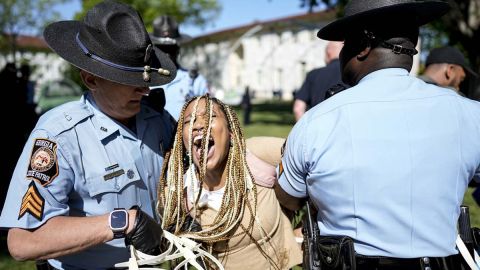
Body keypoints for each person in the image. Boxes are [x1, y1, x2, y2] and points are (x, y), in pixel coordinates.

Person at [274, 0, 480, 269]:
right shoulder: (471, 114)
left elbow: (288, 196)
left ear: (363, 46)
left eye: (346, 44)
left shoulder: (317, 121)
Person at [0, 1, 178, 269]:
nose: (144, 90)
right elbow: (23, 241)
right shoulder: (58, 136)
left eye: (145, 80)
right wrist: (121, 222)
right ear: (91, 80)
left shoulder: (158, 121)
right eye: (129, 81)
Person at [148, 95, 302, 269]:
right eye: (189, 121)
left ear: (230, 133)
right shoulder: (179, 195)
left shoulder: (255, 155)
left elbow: (317, 158)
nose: (198, 125)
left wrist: (307, 227)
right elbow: (165, 252)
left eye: (211, 117)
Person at [150, 15, 209, 121]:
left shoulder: (195, 80)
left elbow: (208, 112)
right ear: (154, 50)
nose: (166, 54)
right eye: (162, 49)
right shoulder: (144, 78)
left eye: (170, 49)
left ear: (178, 50)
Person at [293, 41, 346, 121]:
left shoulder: (313, 74)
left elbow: (298, 108)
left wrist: (305, 129)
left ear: (328, 52)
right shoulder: (353, 74)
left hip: (317, 126)